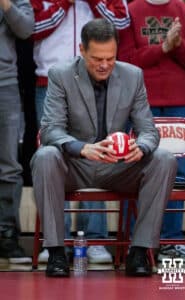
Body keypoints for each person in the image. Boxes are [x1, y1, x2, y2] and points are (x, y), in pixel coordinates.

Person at [30, 18, 177, 277]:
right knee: (45, 156)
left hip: (117, 167)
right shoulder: (60, 75)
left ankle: (140, 251)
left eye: (110, 57)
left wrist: (141, 147)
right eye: (97, 58)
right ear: (82, 50)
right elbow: (51, 129)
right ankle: (56, 253)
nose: (105, 64)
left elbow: (149, 130)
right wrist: (82, 148)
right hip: (74, 164)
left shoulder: (132, 76)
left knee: (163, 158)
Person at [30, 0, 130, 264]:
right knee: (51, 154)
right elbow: (31, 28)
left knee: (98, 151)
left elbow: (121, 24)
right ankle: (56, 240)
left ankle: (95, 239)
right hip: (50, 79)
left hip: (99, 78)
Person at [119, 0, 185, 262]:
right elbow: (127, 60)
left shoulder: (184, 10)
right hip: (144, 99)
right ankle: (138, 243)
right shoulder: (132, 10)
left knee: (179, 171)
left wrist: (178, 45)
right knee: (139, 167)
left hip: (182, 99)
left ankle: (172, 241)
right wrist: (163, 47)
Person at [0, 0, 34, 263]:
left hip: (5, 85)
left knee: (9, 165)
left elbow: (26, 29)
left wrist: (6, 5)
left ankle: (8, 236)